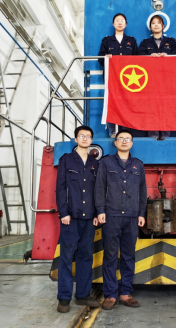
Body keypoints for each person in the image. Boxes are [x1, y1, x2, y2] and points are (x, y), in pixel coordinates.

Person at [94, 130, 147, 310]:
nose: (124, 141)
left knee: (128, 256)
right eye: (121, 139)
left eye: (127, 139)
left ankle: (125, 293)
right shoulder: (106, 163)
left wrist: (141, 213)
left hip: (131, 216)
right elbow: (100, 188)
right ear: (115, 143)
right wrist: (100, 210)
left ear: (132, 143)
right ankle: (110, 294)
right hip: (112, 215)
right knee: (110, 256)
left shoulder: (138, 165)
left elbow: (142, 191)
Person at [55, 126, 100, 313]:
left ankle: (82, 295)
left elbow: (98, 191)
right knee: (66, 257)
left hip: (89, 218)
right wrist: (63, 212)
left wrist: (97, 213)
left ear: (91, 140)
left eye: (88, 136)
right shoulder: (66, 160)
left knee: (85, 256)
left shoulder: (95, 164)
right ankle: (64, 298)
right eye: (81, 136)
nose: (85, 138)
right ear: (76, 139)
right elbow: (60, 187)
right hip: (71, 217)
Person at [137, 15, 176, 140]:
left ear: (163, 26)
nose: (156, 25)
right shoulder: (145, 43)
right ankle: (153, 136)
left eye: (158, 23)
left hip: (167, 80)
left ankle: (165, 135)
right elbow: (139, 57)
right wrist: (150, 57)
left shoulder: (171, 42)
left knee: (166, 107)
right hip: (151, 81)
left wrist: (168, 56)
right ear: (150, 27)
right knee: (152, 108)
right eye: (153, 23)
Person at [98, 13, 138, 137]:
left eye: (122, 20)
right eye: (117, 20)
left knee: (128, 102)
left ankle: (126, 130)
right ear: (113, 24)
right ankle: (113, 131)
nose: (120, 22)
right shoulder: (106, 41)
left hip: (129, 78)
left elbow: (138, 60)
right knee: (112, 103)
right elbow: (100, 59)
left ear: (126, 24)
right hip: (112, 78)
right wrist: (106, 57)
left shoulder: (131, 41)